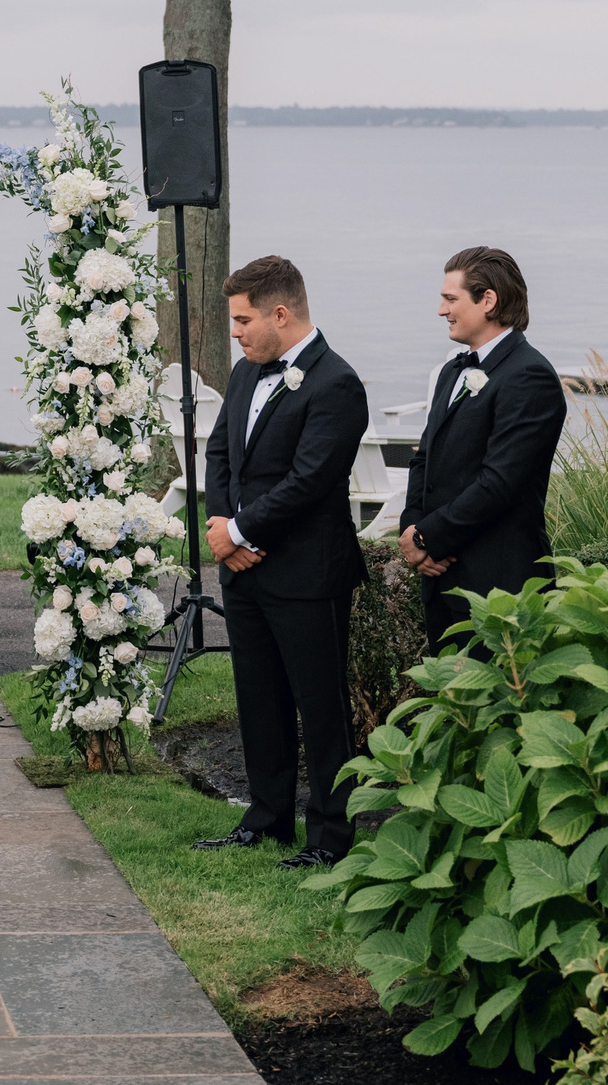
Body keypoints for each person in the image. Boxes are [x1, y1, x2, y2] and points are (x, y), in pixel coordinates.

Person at [188, 257, 369, 871]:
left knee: (319, 706)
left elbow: (310, 482)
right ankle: (266, 818)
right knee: (258, 696)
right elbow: (220, 455)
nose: (234, 333)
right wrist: (222, 529)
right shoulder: (245, 373)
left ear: (281, 314)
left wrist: (240, 528)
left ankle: (330, 836)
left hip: (307, 572)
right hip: (244, 568)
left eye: (243, 320)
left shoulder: (336, 383)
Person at [400, 247, 568, 646]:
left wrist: (428, 538)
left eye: (451, 299)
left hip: (499, 583)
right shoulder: (452, 370)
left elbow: (500, 483)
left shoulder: (530, 376)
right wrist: (412, 527)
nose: (442, 310)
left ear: (488, 300)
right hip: (442, 578)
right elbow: (424, 458)